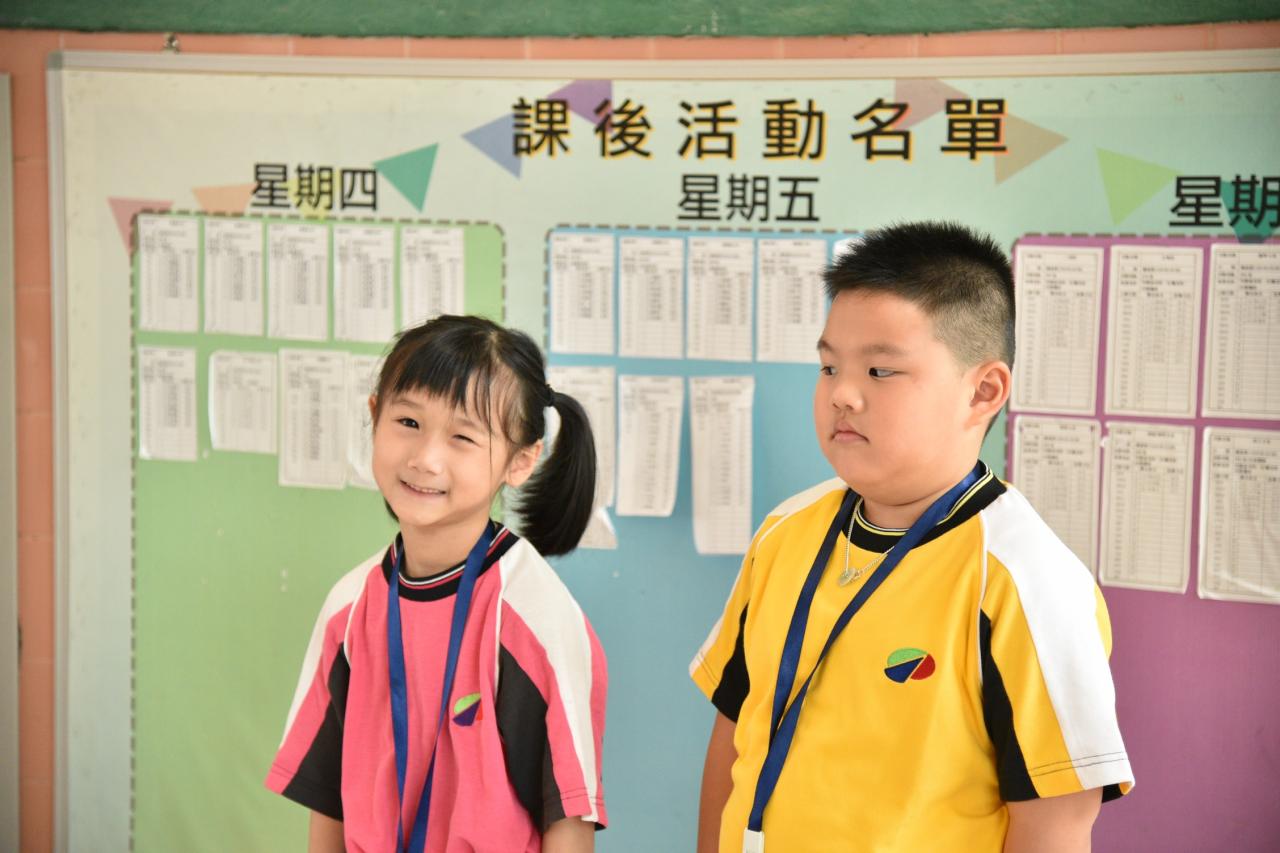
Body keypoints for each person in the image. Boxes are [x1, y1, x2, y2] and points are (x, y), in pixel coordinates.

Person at [691, 222, 1133, 853]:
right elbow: (733, 737)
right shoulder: (785, 531)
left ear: (982, 392)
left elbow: (1056, 823)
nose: (842, 394)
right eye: (829, 366)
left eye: (880, 370)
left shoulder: (1026, 582)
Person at [266, 315, 607, 853]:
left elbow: (568, 817)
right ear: (374, 415)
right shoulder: (348, 608)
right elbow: (328, 804)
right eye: (408, 422)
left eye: (462, 437)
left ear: (520, 461)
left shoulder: (533, 615)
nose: (425, 458)